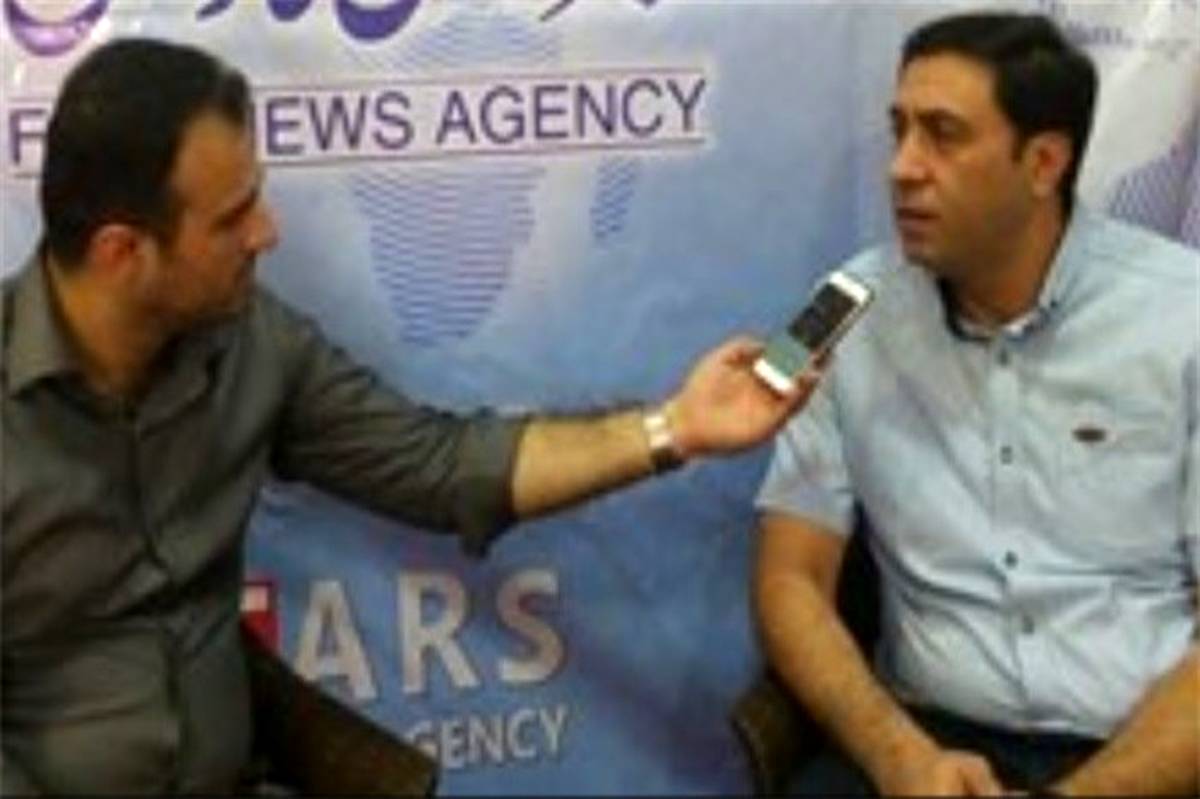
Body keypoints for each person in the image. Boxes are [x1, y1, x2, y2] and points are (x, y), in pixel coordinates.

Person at [0, 39, 814, 795]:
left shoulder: (251, 343)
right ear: (122, 252)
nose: (267, 232)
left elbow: (440, 465)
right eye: (232, 216)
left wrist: (676, 427)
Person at [754, 11, 1198, 797]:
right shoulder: (838, 307)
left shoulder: (1184, 314)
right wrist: (897, 756)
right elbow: (791, 575)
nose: (903, 168)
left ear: (1044, 162)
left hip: (1149, 748)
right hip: (928, 741)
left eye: (943, 135)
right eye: (899, 131)